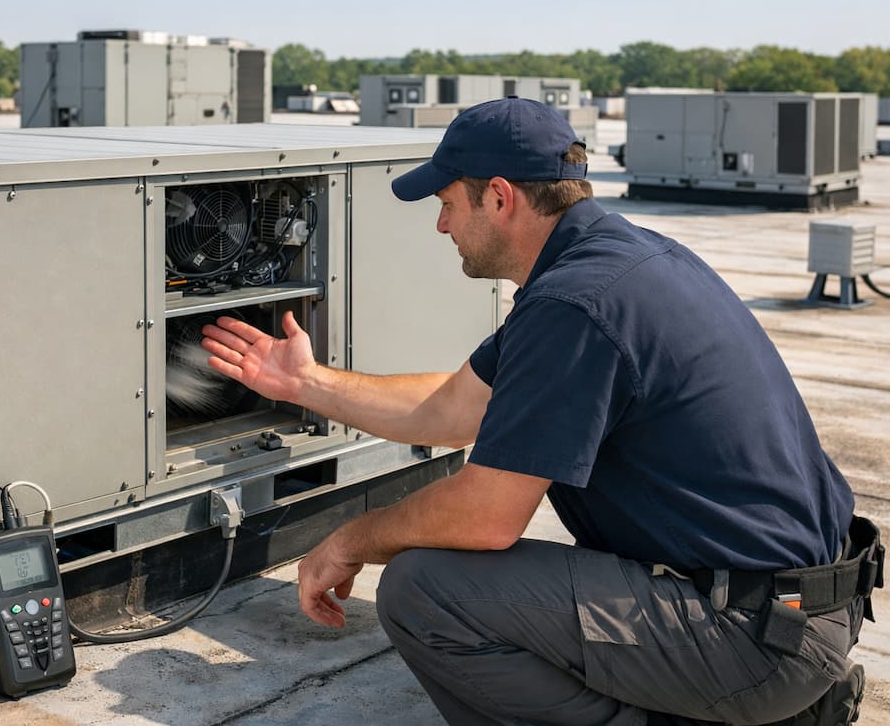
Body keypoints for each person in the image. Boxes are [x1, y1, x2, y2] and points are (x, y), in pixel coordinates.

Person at [200, 97, 881, 725]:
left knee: (426, 590)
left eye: (446, 203)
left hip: (757, 637)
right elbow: (453, 407)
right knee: (453, 578)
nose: (440, 224)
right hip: (792, 610)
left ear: (498, 198)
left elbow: (485, 517)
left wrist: (349, 539)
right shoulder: (617, 260)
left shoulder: (576, 304)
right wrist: (309, 383)